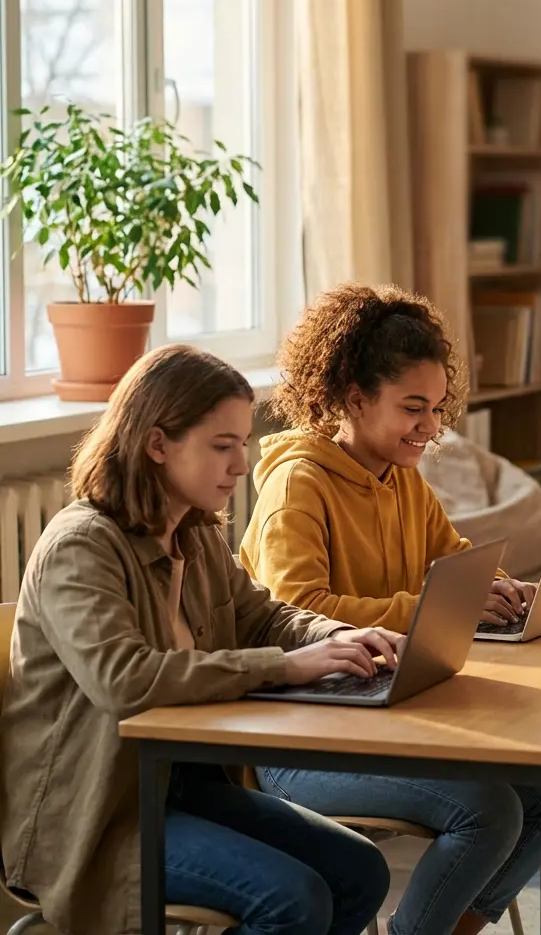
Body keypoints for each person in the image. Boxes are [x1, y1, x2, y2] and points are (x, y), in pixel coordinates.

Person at [0, 345, 398, 935]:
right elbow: (125, 679)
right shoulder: (80, 547)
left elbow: (265, 617)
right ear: (157, 444)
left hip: (179, 789)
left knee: (359, 870)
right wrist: (286, 668)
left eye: (242, 442)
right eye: (222, 445)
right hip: (99, 817)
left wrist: (342, 636)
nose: (241, 464)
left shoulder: (194, 532)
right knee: (293, 901)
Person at [241, 284, 541, 935]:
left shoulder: (401, 477)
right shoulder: (298, 485)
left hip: (390, 710)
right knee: (488, 811)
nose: (429, 428)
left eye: (434, 408)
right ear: (354, 397)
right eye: (412, 408)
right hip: (301, 736)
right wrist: (427, 606)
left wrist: (504, 589)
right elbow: (296, 608)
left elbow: (453, 560)